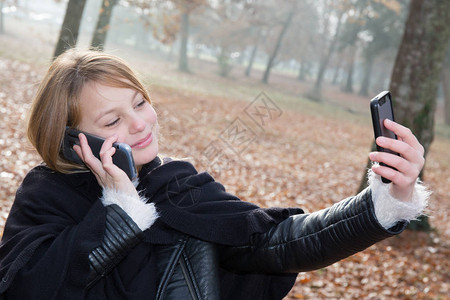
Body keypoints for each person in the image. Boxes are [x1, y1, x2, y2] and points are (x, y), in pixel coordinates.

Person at [0, 49, 429, 300]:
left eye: (139, 102)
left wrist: (386, 200)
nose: (140, 123)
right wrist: (118, 208)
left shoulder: (181, 186)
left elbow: (278, 242)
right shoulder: (47, 195)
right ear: (74, 140)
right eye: (111, 121)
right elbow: (25, 287)